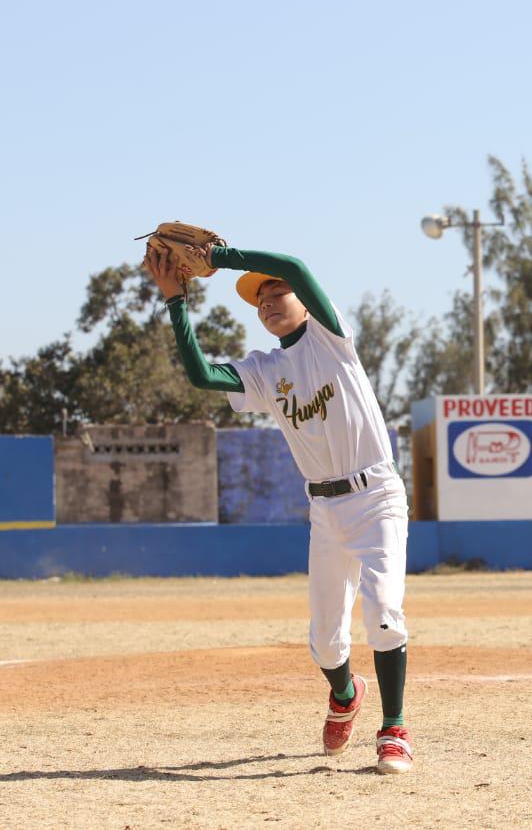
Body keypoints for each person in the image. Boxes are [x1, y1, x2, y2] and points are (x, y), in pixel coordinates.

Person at [142, 241, 414, 774]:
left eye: (276, 293)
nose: (267, 302)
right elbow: (202, 376)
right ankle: (345, 694)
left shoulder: (331, 338)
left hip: (376, 497)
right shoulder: (265, 371)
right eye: (259, 299)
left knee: (384, 614)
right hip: (326, 510)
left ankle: (394, 730)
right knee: (325, 644)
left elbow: (295, 266)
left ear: (306, 302)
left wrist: (220, 258)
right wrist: (175, 301)